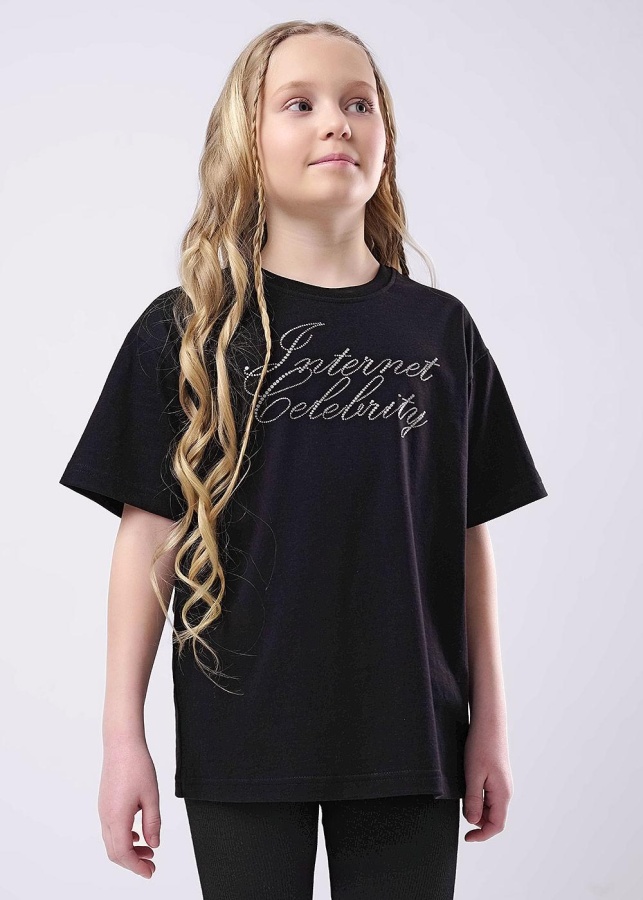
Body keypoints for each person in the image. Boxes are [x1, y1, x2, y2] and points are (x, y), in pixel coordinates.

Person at [58, 19, 548, 900]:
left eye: (359, 103)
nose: (335, 122)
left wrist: (491, 725)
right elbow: (147, 538)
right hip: (241, 733)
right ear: (247, 139)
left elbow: (466, 537)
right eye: (300, 104)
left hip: (411, 735)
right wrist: (121, 737)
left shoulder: (439, 332)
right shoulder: (186, 331)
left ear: (385, 138)